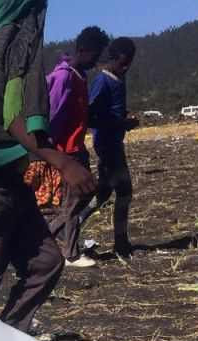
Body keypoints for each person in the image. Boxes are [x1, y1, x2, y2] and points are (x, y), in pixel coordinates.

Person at [0, 0, 95, 333]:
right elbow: (14, 117)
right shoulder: (21, 45)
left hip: (9, 186)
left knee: (46, 264)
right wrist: (64, 163)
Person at [45, 26, 109, 268]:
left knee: (86, 194)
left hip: (78, 145)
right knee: (72, 203)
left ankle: (52, 234)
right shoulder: (64, 77)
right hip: (67, 150)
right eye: (95, 55)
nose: (96, 61)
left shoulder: (80, 75)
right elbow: (52, 113)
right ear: (83, 51)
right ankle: (70, 254)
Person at [78, 37, 140, 259]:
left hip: (115, 142)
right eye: (123, 63)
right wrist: (120, 123)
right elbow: (90, 116)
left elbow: (114, 110)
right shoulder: (102, 81)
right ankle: (120, 241)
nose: (126, 68)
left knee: (103, 194)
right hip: (107, 145)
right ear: (112, 60)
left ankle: (72, 225)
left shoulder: (119, 79)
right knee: (124, 192)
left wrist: (125, 117)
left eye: (129, 64)